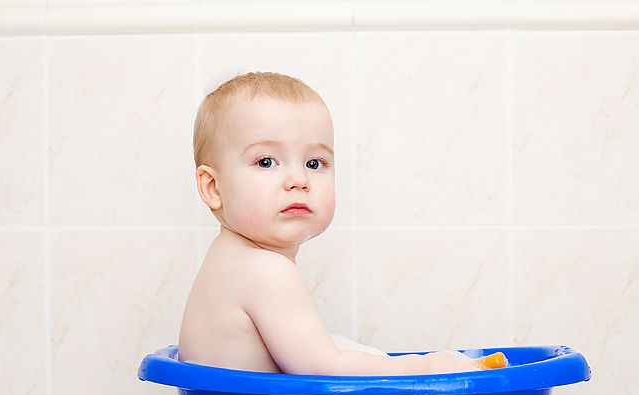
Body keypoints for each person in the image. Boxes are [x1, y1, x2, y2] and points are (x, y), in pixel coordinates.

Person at [178, 71, 481, 375]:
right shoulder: (267, 271)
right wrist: (430, 364)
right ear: (213, 188)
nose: (299, 180)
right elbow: (325, 370)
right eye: (266, 162)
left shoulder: (226, 262)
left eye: (314, 163)